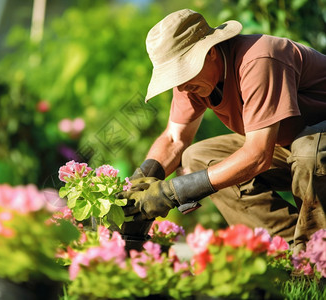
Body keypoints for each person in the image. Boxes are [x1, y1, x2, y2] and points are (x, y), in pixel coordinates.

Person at [118, 8, 326, 254]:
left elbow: (258, 155)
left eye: (184, 71)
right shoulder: (192, 84)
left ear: (212, 52)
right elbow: (174, 139)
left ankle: (317, 259)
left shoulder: (259, 60)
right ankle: (290, 252)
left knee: (307, 150)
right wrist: (141, 181)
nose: (182, 86)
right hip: (290, 146)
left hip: (313, 148)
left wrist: (171, 193)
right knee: (198, 158)